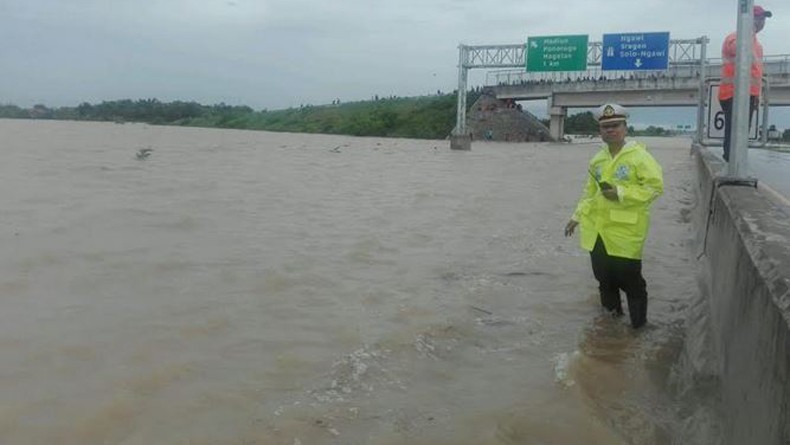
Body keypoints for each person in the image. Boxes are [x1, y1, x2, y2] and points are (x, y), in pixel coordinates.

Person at [564, 104, 664, 329]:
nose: (610, 130)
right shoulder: (597, 160)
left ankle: (639, 329)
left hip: (626, 234)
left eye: (615, 126)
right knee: (604, 282)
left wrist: (620, 193)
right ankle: (610, 330)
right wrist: (576, 217)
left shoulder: (640, 157)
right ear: (600, 131)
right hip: (598, 233)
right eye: (605, 127)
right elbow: (589, 193)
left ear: (625, 128)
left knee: (632, 284)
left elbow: (655, 188)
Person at [719, 5, 772, 162]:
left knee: (741, 134)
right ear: (749, 19)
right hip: (733, 93)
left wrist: (757, 97)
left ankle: (735, 164)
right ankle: (731, 167)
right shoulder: (736, 37)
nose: (762, 22)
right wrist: (748, 31)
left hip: (749, 95)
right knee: (735, 134)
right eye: (759, 18)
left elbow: (755, 73)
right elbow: (736, 48)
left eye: (763, 19)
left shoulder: (758, 45)